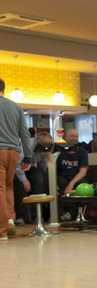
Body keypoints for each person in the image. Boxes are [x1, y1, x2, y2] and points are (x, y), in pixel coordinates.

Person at [0, 78, 32, 240]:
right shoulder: (15, 107)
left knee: (0, 189)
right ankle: (10, 220)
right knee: (8, 186)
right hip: (14, 152)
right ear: (3, 90)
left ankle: (2, 231)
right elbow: (24, 134)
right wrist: (29, 156)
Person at [57, 128, 89, 221]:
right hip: (62, 176)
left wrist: (71, 183)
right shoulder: (59, 151)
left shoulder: (82, 152)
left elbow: (83, 172)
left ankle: (71, 214)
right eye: (72, 136)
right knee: (61, 183)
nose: (74, 138)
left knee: (81, 186)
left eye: (76, 136)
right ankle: (61, 214)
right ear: (66, 137)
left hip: (76, 177)